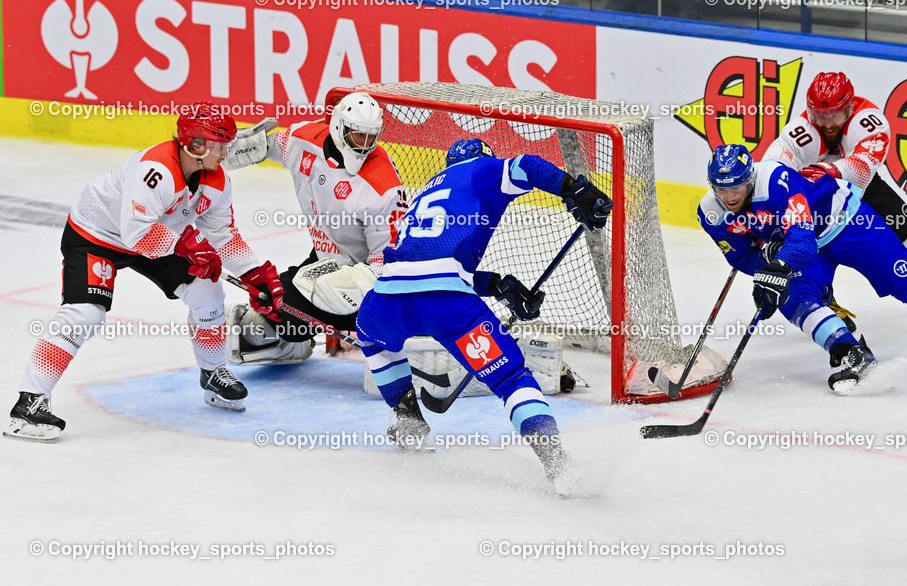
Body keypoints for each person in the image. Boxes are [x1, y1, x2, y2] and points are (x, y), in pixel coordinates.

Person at [7, 102, 285, 442]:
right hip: (97, 235)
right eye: (220, 144)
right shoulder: (155, 171)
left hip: (162, 233)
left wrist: (254, 273)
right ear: (196, 145)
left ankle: (213, 373)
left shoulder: (217, 180)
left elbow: (223, 234)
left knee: (208, 289)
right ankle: (29, 403)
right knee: (85, 314)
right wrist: (189, 246)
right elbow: (136, 234)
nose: (227, 152)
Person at [354, 139, 612, 490]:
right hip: (449, 309)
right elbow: (526, 165)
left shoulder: (427, 191)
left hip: (386, 302)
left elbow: (426, 266)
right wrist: (573, 189)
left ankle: (408, 421)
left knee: (372, 339)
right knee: (510, 379)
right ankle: (558, 465)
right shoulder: (480, 169)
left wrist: (498, 286)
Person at [699, 144, 907, 393]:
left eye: (736, 187)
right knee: (794, 300)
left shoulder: (774, 181)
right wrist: (767, 270)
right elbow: (742, 258)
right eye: (721, 189)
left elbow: (803, 243)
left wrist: (777, 266)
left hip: (846, 222)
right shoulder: (711, 213)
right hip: (801, 247)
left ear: (749, 179)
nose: (730, 196)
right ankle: (850, 352)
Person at [763, 71, 907, 315]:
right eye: (820, 115)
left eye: (835, 115)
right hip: (813, 195)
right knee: (806, 244)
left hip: (857, 186)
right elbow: (769, 173)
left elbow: (862, 170)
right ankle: (820, 299)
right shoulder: (796, 134)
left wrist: (829, 170)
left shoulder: (870, 120)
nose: (828, 124)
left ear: (850, 108)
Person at [222, 91, 407, 364]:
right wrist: (228, 149)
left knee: (276, 310)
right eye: (359, 136)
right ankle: (292, 342)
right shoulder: (303, 140)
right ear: (339, 128)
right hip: (325, 259)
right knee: (258, 323)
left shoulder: (385, 190)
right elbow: (271, 145)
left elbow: (389, 267)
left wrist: (337, 288)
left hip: (364, 284)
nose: (366, 145)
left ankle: (407, 332)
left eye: (372, 137)